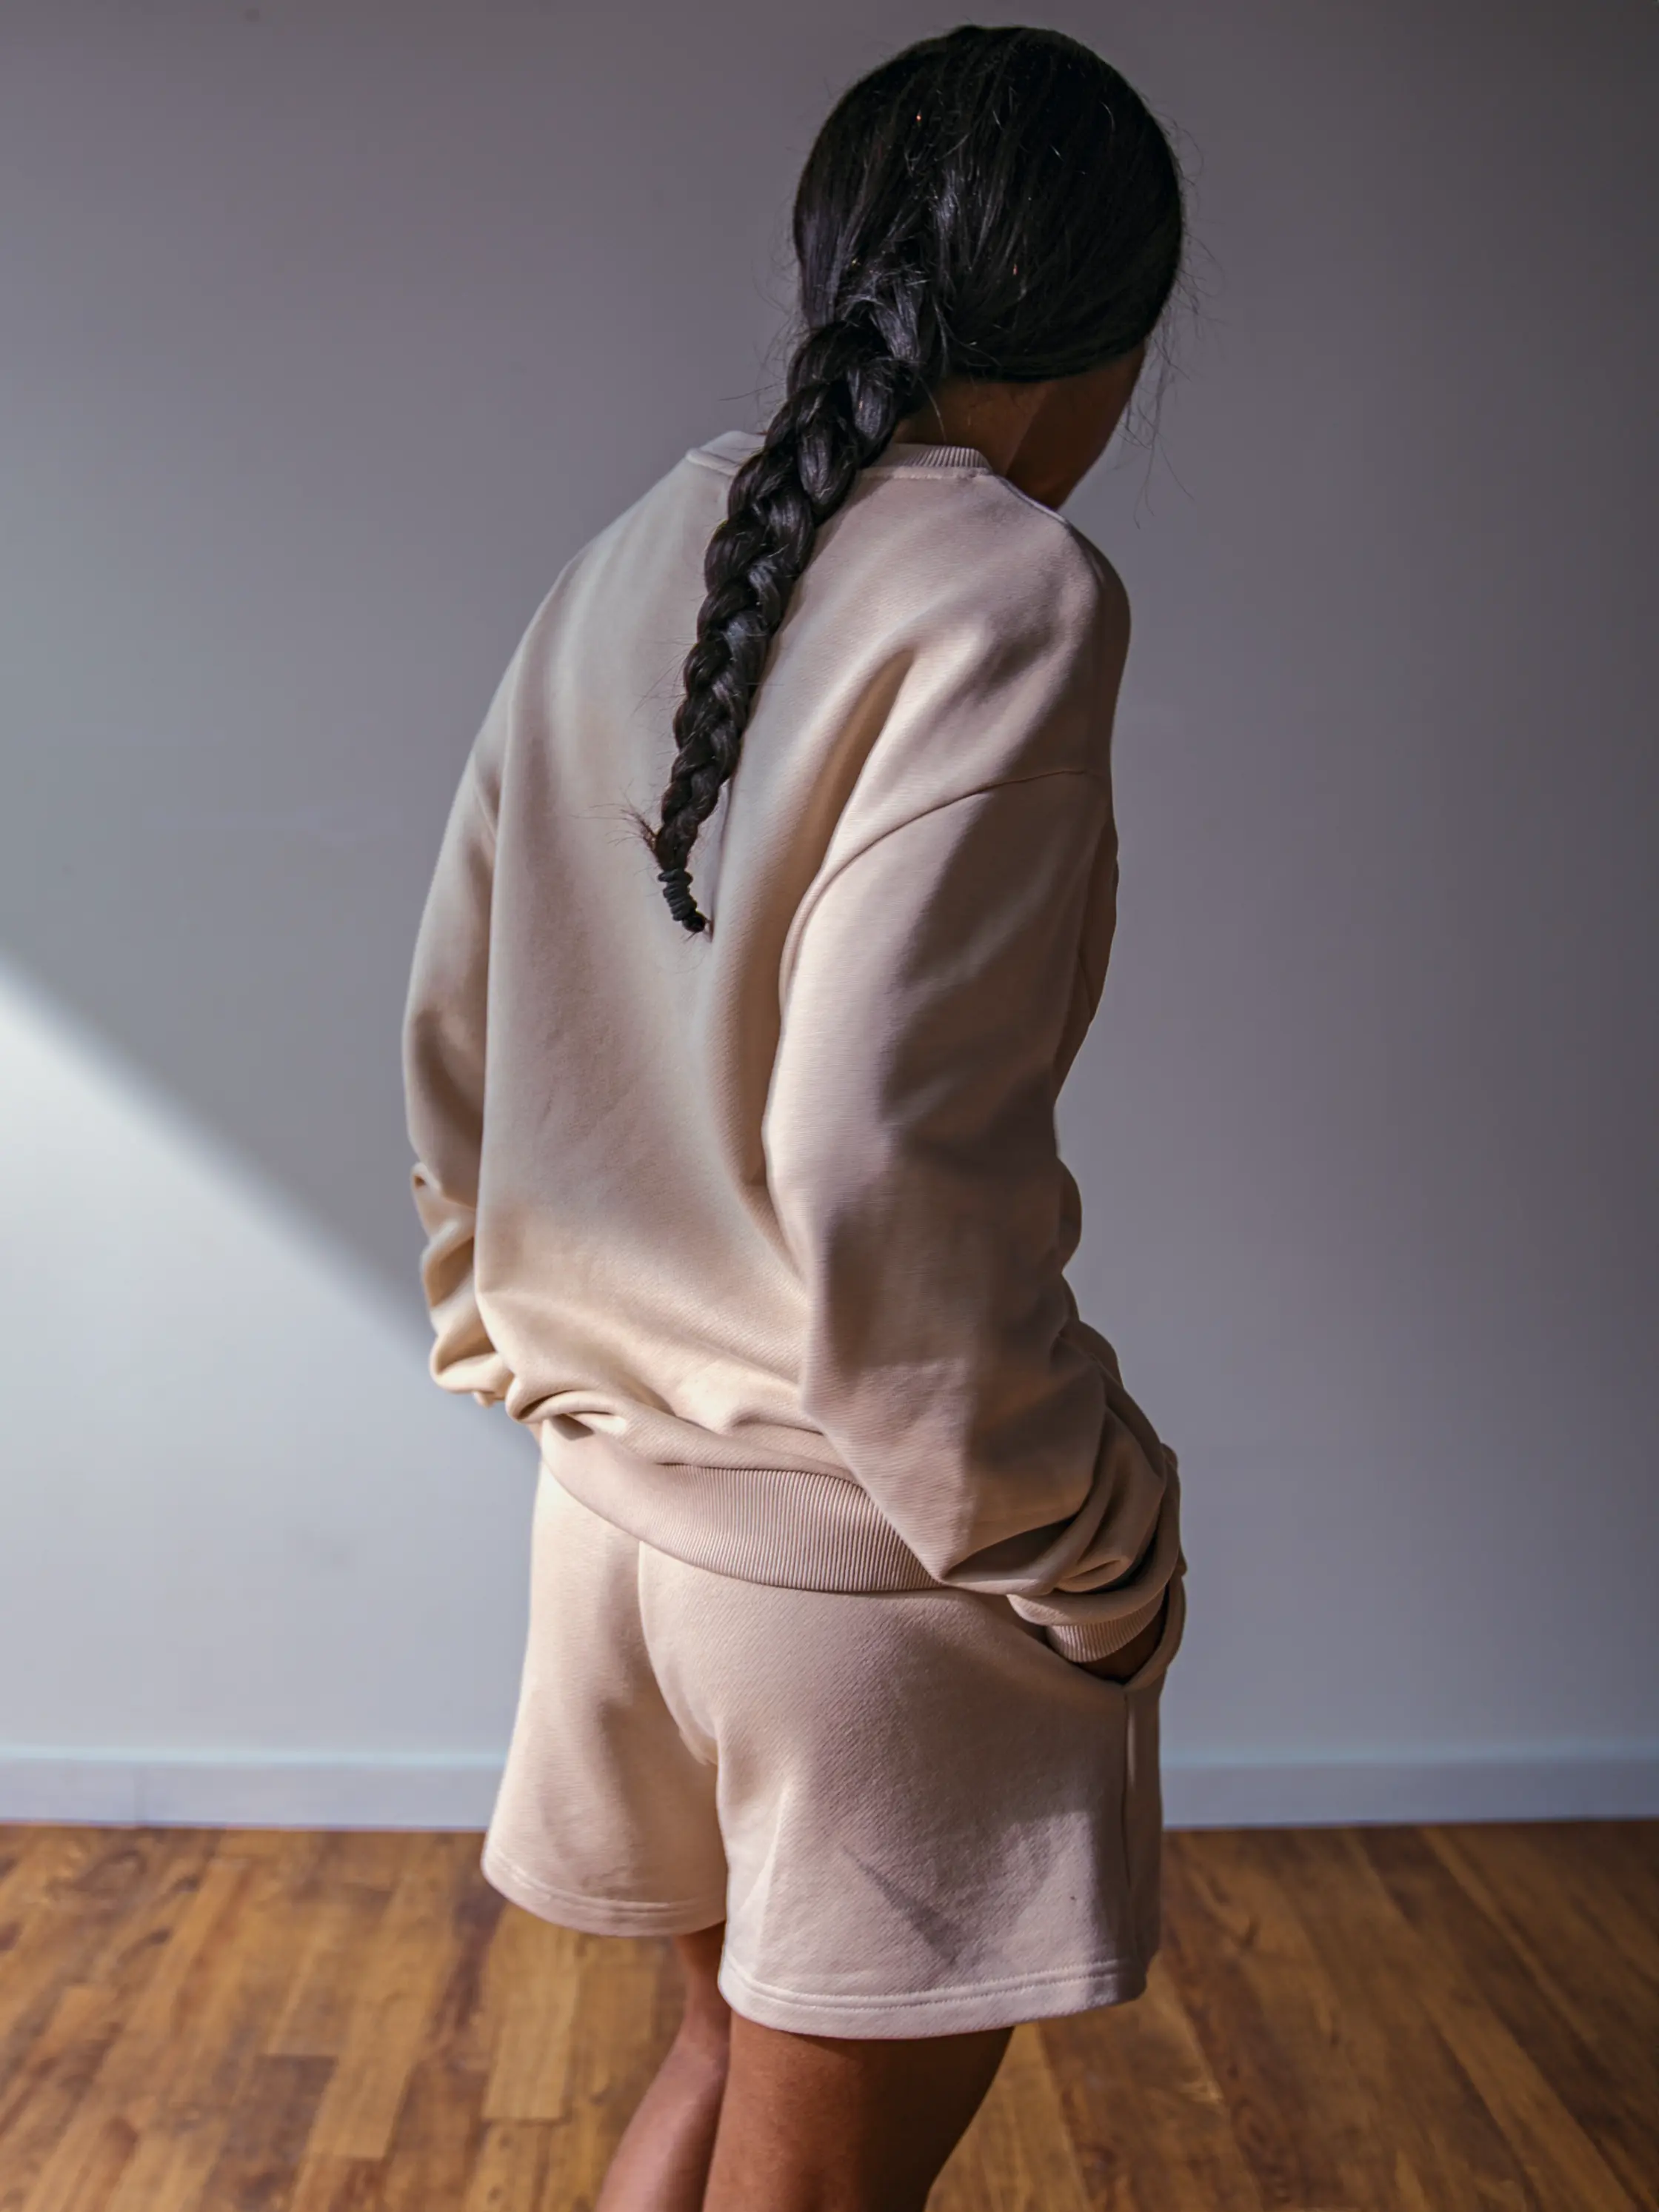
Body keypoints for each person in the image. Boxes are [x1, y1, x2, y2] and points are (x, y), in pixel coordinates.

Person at [402, 24, 1190, 2210]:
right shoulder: (1019, 597)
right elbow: (883, 1167)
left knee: (706, 2099)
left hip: (618, 1534)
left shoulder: (649, 543)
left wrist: (521, 1350)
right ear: (1112, 333)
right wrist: (1082, 1539)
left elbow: (463, 1020)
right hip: (861, 1583)